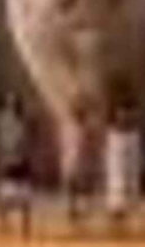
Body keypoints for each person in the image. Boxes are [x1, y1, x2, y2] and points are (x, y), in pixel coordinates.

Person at [0, 94, 34, 239]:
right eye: (10, 105)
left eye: (14, 105)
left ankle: (24, 228)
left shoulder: (23, 123)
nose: (12, 108)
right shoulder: (4, 122)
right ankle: (4, 224)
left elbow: (27, 143)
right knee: (4, 196)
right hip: (9, 162)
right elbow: (0, 143)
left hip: (20, 163)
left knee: (24, 197)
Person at [103, 97, 143, 236]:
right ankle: (117, 210)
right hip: (117, 167)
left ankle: (125, 209)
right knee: (117, 182)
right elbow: (112, 158)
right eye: (121, 112)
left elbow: (135, 158)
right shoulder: (112, 133)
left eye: (127, 112)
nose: (124, 115)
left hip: (130, 166)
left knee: (129, 182)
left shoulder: (134, 134)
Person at [59, 98, 102, 230]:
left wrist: (94, 157)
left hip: (84, 160)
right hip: (71, 159)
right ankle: (72, 209)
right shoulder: (67, 127)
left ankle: (86, 208)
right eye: (76, 111)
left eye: (80, 111)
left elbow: (93, 144)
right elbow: (64, 144)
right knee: (71, 186)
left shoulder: (89, 128)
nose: (78, 113)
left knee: (86, 186)